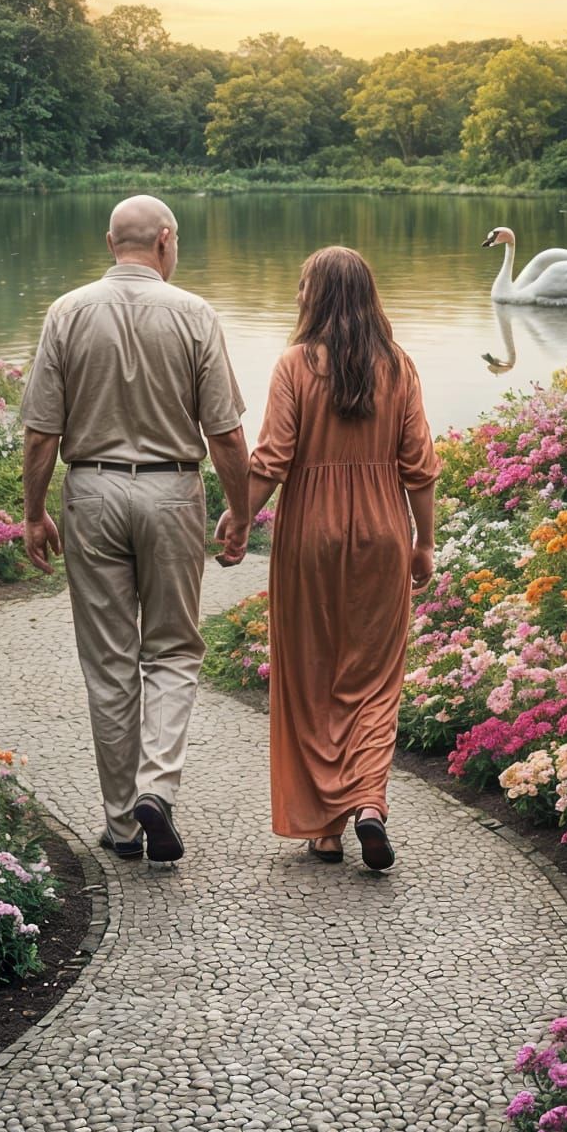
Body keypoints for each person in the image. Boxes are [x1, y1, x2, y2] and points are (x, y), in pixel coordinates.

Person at [19, 195, 251, 865]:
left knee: (110, 662)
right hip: (172, 490)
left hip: (89, 490)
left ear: (110, 241)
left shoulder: (67, 311)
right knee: (174, 651)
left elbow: (42, 432)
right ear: (166, 242)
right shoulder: (195, 314)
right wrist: (239, 510)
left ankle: (123, 824)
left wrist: (35, 512)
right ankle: (157, 786)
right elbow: (227, 434)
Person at [218, 246, 438, 871]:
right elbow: (418, 468)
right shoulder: (399, 367)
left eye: (300, 285)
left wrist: (238, 519)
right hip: (383, 532)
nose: (294, 296)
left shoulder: (294, 365)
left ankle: (326, 829)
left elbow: (272, 460)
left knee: (312, 675)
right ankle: (368, 800)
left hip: (309, 534)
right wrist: (424, 542)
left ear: (316, 296)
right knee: (372, 680)